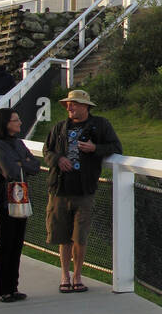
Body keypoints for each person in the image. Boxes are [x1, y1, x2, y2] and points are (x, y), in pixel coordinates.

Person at [43, 89, 122, 293]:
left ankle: (78, 275)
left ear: (86, 107)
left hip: (84, 190)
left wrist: (94, 149)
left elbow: (116, 147)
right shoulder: (59, 128)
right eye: (69, 104)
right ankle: (64, 275)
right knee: (62, 235)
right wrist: (58, 159)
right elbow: (47, 150)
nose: (70, 107)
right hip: (60, 189)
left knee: (80, 236)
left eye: (75, 104)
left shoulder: (100, 125)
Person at [0, 108, 41, 303]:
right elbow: (9, 170)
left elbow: (35, 166)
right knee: (6, 244)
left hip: (20, 200)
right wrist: (21, 163)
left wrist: (21, 163)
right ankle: (2, 289)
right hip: (3, 202)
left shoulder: (18, 143)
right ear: (5, 123)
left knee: (17, 244)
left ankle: (13, 287)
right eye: (15, 120)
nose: (20, 123)